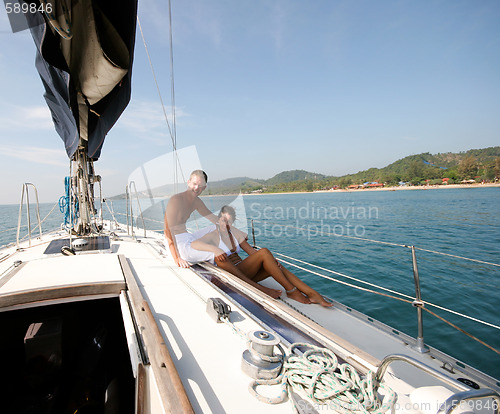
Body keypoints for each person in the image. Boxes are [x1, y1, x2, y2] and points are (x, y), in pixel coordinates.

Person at [191, 206, 333, 307]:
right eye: (223, 220)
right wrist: (214, 249)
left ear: (232, 221)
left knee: (275, 264)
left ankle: (311, 293)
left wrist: (270, 261)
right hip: (232, 274)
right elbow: (195, 244)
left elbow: (253, 253)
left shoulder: (236, 234)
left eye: (228, 221)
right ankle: (288, 291)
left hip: (245, 273)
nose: (225, 224)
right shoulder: (214, 235)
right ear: (218, 220)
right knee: (261, 252)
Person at [164, 170, 242, 268]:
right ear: (188, 182)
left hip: (187, 236)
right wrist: (177, 258)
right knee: (216, 254)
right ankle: (227, 262)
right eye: (194, 184)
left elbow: (214, 219)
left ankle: (233, 252)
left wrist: (237, 232)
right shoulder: (176, 200)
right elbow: (167, 232)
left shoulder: (197, 201)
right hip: (176, 242)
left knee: (215, 227)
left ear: (204, 187)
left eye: (200, 185)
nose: (196, 188)